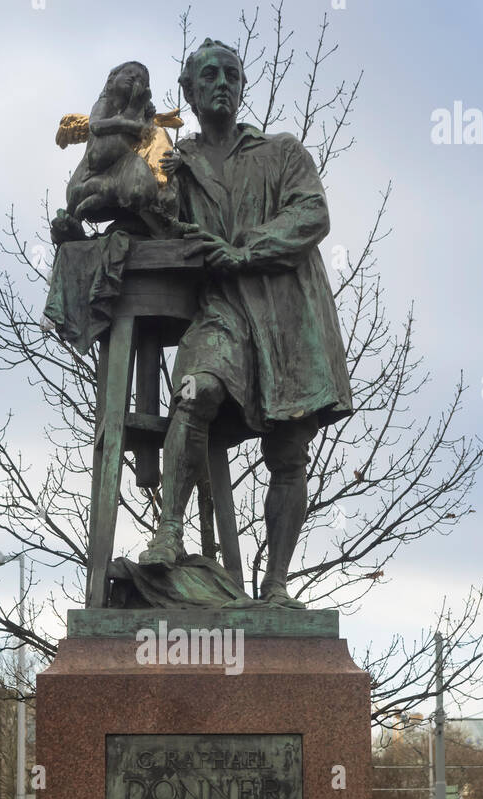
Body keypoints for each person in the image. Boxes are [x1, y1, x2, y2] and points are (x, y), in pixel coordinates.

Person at [137, 38, 353, 606]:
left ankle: (277, 586)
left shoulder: (281, 151)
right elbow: (153, 223)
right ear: (187, 90)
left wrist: (244, 248)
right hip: (224, 309)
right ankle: (168, 533)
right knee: (194, 391)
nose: (221, 84)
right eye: (209, 75)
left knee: (288, 453)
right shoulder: (176, 164)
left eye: (231, 74)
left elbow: (312, 213)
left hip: (287, 314)